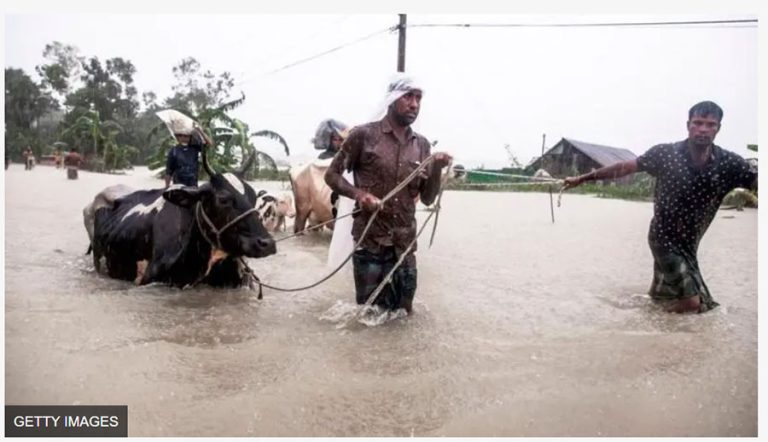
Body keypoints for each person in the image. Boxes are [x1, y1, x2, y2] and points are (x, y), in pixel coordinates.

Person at [562, 101, 757, 314]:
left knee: (666, 295)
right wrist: (581, 179)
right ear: (688, 125)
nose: (703, 129)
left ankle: (649, 313)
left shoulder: (729, 164)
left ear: (718, 128)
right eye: (698, 123)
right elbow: (625, 167)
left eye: (710, 124)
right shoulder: (665, 154)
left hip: (690, 243)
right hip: (663, 237)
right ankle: (649, 320)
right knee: (693, 304)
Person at [324, 74, 453, 314]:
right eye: (408, 97)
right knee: (367, 317)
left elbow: (427, 198)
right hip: (370, 243)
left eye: (418, 98)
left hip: (404, 246)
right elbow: (331, 175)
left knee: (404, 316)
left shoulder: (422, 145)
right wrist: (360, 195)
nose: (414, 104)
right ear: (392, 99)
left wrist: (436, 168)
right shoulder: (363, 136)